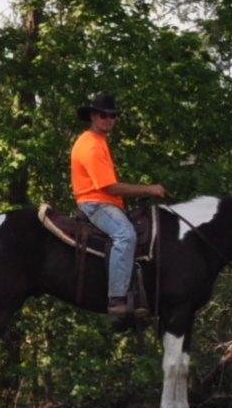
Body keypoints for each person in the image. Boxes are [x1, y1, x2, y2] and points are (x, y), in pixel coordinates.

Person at [71, 92, 166, 324]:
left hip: (106, 202)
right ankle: (116, 299)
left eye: (113, 116)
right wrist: (149, 189)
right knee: (125, 235)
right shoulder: (91, 146)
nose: (109, 120)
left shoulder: (99, 140)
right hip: (95, 203)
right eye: (104, 115)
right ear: (93, 116)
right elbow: (110, 187)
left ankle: (137, 294)